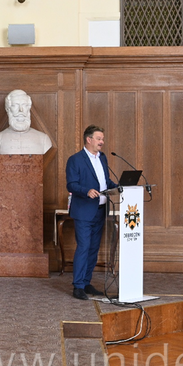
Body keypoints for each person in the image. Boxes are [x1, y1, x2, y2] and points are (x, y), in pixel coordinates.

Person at [65, 124, 117, 300]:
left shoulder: (102, 158)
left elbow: (106, 182)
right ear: (89, 139)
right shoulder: (75, 160)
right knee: (84, 247)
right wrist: (86, 191)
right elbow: (71, 184)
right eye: (99, 139)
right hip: (84, 211)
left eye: (102, 139)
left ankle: (86, 282)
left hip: (100, 210)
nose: (102, 142)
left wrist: (120, 186)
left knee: (94, 248)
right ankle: (78, 286)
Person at [0, 90, 52, 155]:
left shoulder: (44, 139)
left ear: (29, 108)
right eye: (15, 105)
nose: (21, 110)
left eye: (24, 105)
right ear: (8, 109)